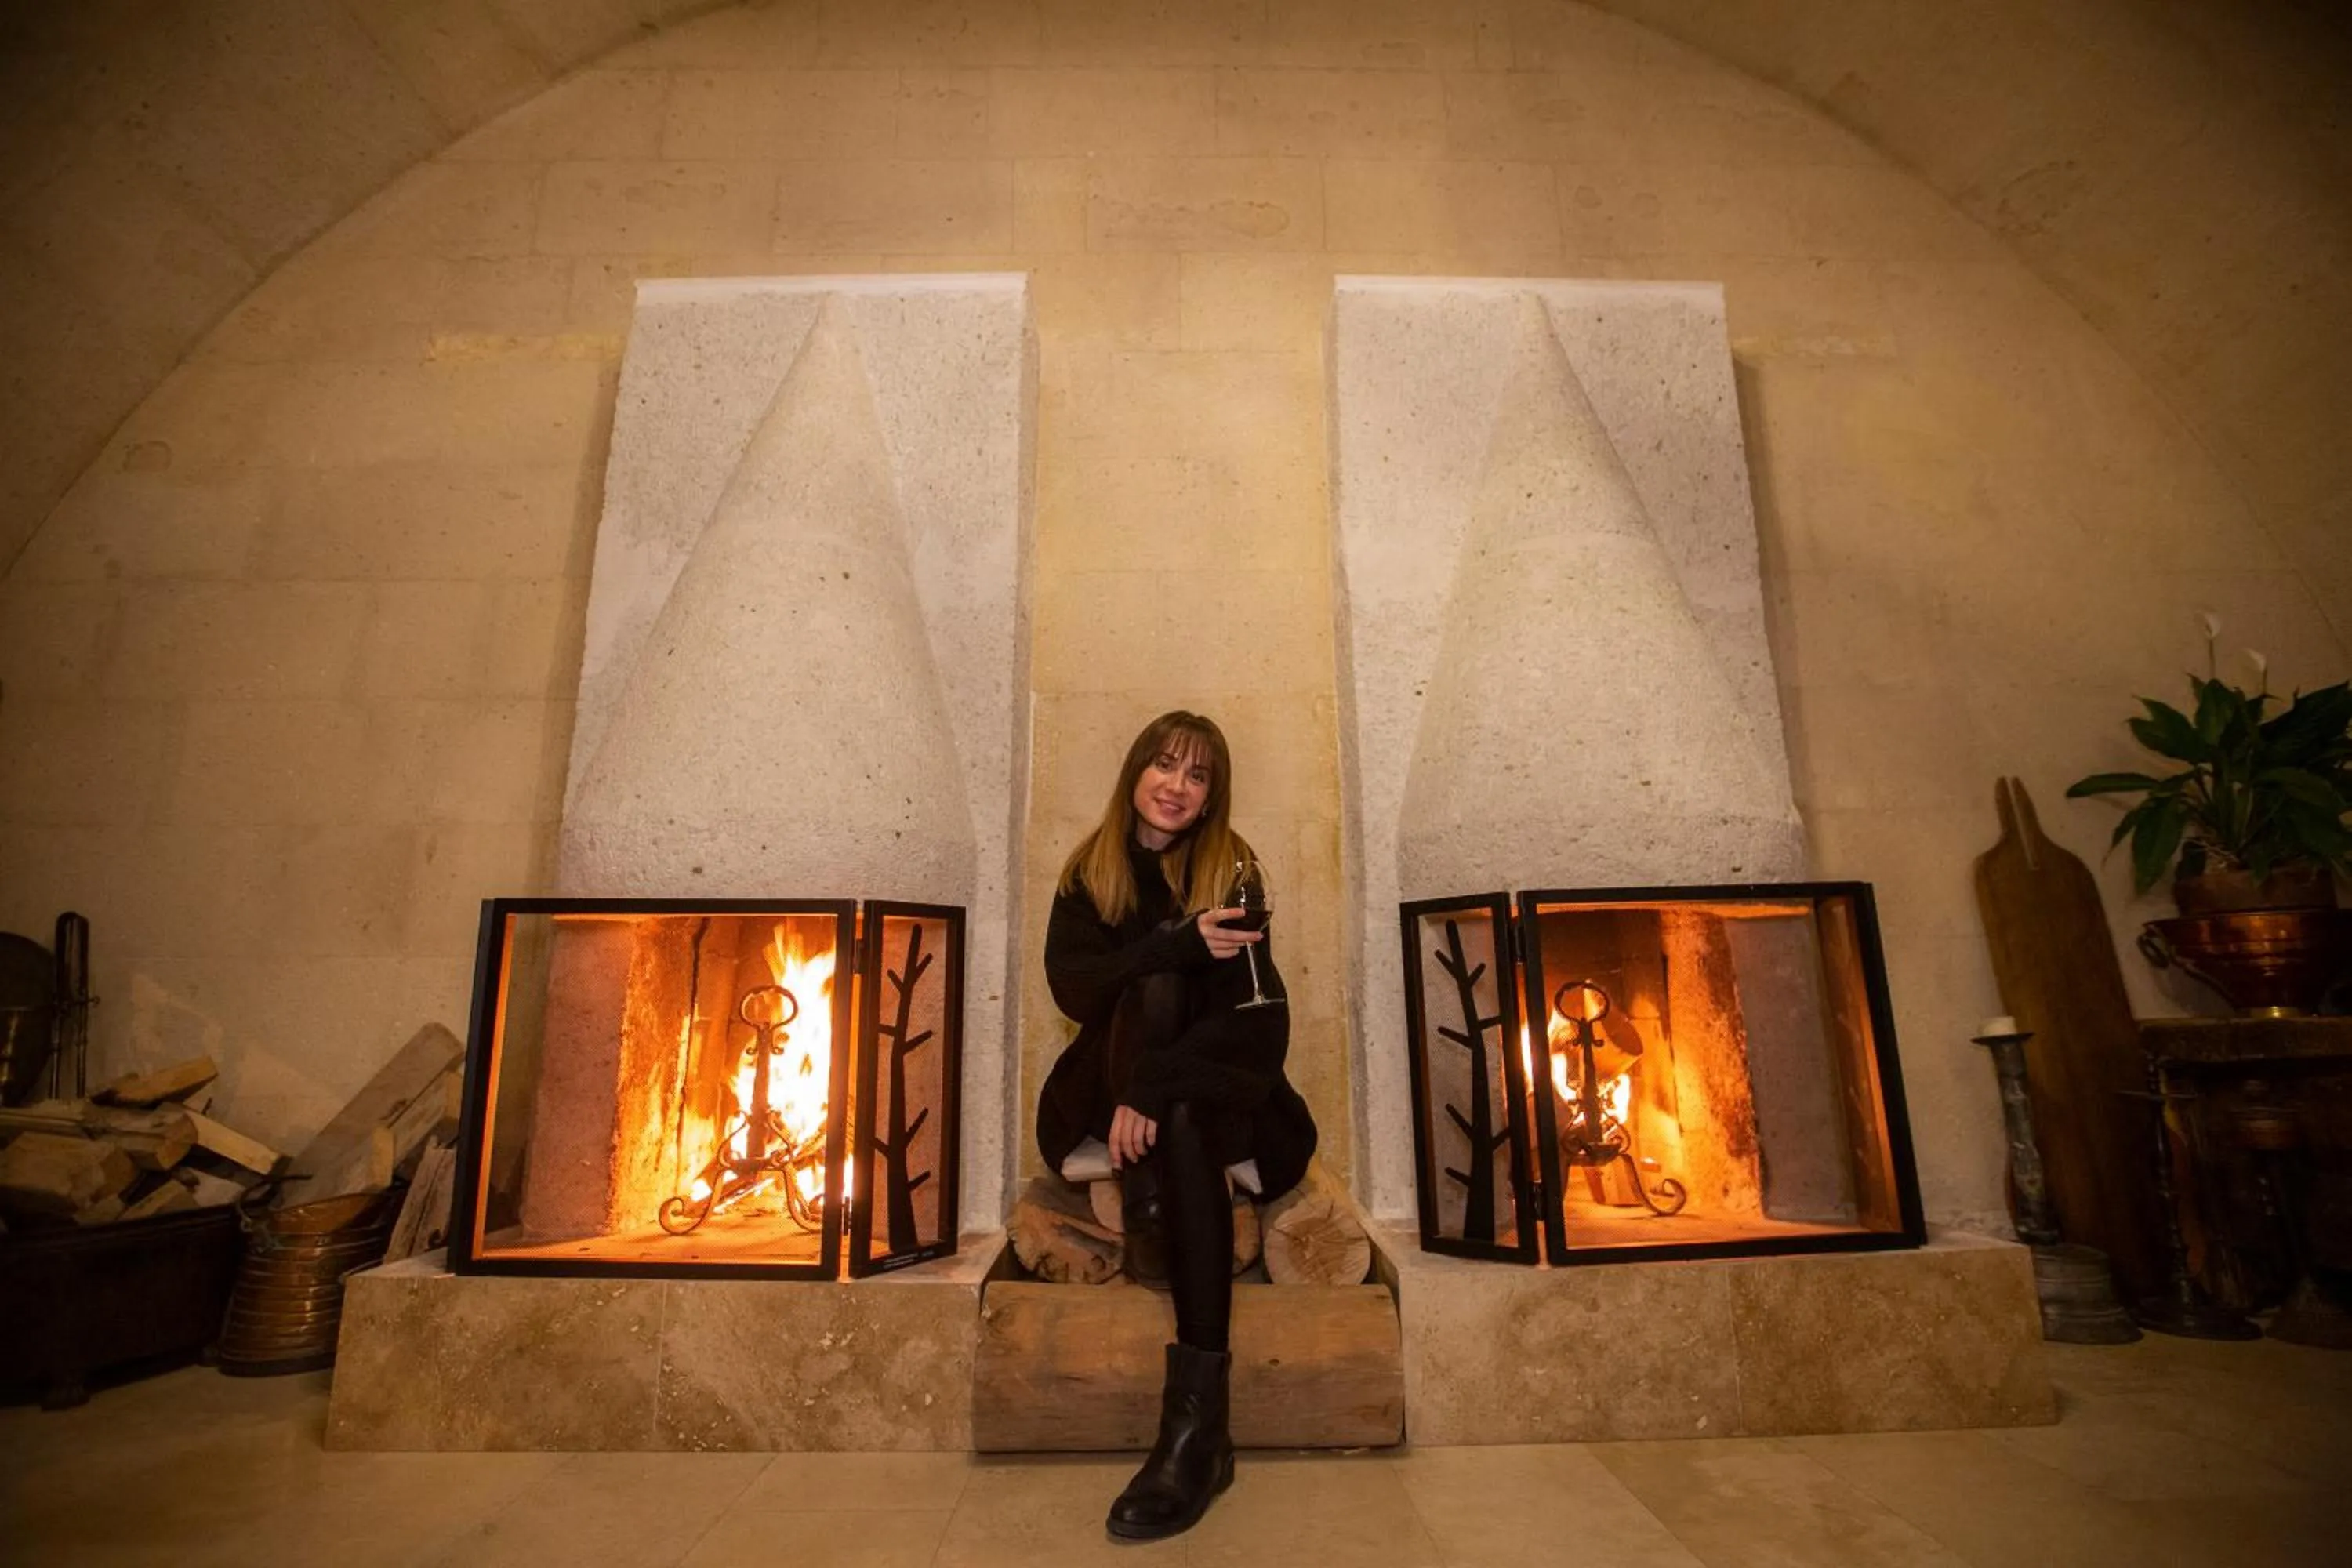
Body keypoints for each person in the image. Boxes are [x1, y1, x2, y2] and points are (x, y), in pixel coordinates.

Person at [1036, 710, 1318, 1541]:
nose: (1177, 786)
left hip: (1203, 1091)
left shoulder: (1234, 870)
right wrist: (1172, 946)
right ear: (1135, 772)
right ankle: (1201, 1432)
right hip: (1105, 1089)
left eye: (1197, 776)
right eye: (1164, 765)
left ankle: (1195, 1431)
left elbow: (1255, 1025)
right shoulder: (1089, 872)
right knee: (1153, 980)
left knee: (1190, 1111)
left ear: (1211, 797)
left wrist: (1155, 1087)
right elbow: (1078, 991)